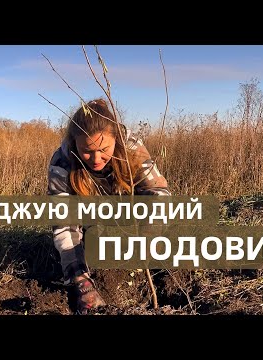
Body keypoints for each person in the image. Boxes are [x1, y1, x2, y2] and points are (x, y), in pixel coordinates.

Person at [47, 98, 171, 314]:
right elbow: (64, 223)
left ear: (116, 139)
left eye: (104, 149)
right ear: (74, 142)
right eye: (87, 150)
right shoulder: (62, 163)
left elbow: (159, 194)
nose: (96, 159)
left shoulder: (131, 148)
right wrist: (81, 280)